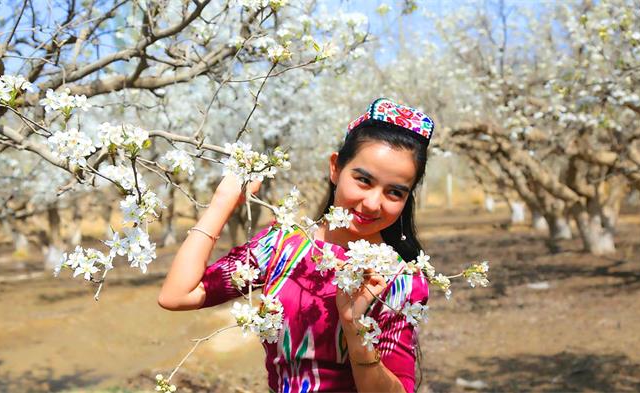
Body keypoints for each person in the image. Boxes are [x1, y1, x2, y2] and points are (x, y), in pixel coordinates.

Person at [158, 98, 433, 393]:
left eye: (394, 192)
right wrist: (223, 201)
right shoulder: (281, 246)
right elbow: (178, 295)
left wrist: (355, 328)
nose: (372, 203)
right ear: (335, 168)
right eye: (363, 180)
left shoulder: (399, 280)